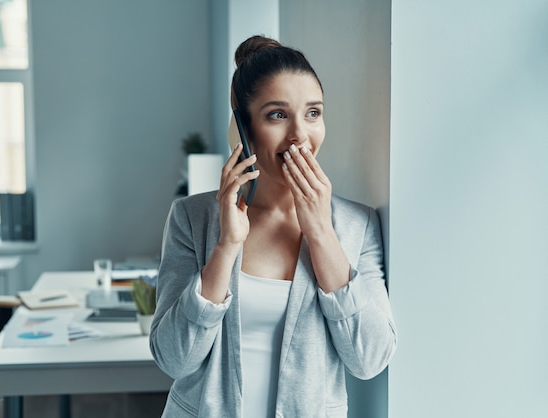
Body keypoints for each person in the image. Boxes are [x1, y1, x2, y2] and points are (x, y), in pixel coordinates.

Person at [150, 35, 397, 417]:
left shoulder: (356, 226)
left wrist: (321, 233)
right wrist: (227, 244)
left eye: (313, 113)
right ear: (244, 132)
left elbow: (370, 359)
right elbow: (173, 360)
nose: (300, 134)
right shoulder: (191, 218)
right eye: (277, 115)